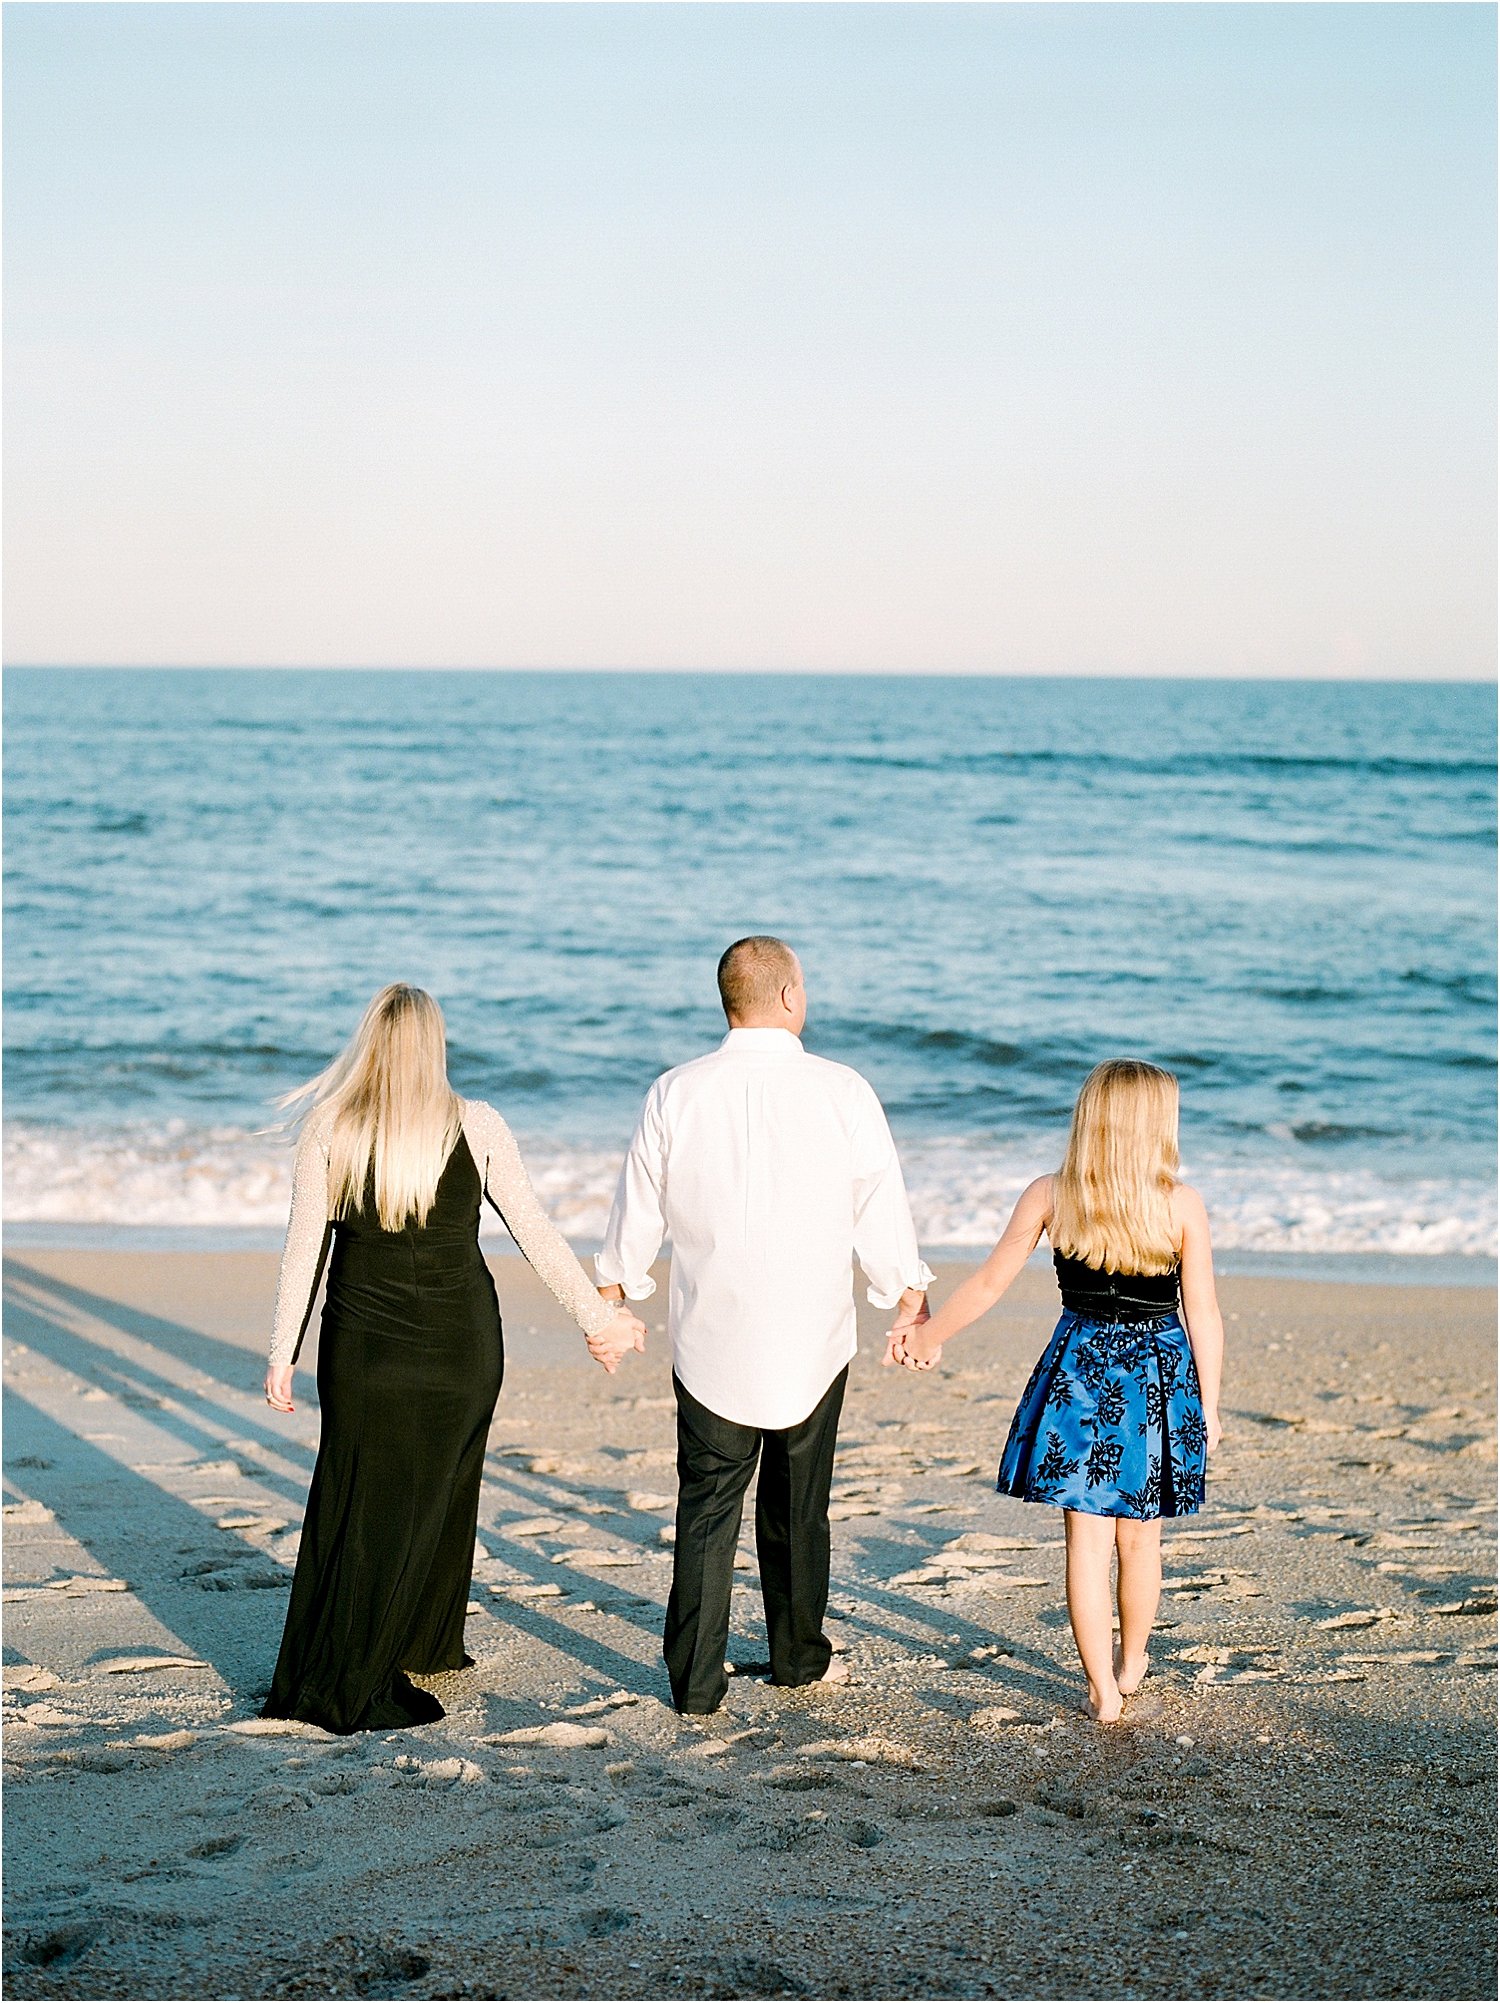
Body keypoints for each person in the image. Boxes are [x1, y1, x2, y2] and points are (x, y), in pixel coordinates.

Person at [260, 983, 645, 1734]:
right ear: (435, 1046)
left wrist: (284, 1352)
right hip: (461, 1348)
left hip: (363, 1351)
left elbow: (304, 1247)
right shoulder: (478, 1123)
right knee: (441, 1485)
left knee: (361, 1499)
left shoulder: (331, 1126)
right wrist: (598, 1320)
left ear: (370, 1042)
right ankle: (415, 1641)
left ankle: (424, 1639)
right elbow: (536, 1232)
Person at [592, 936, 933, 1716]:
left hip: (710, 1334)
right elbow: (878, 1207)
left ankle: (696, 1685)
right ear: (787, 996)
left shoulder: (674, 1091)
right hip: (813, 1335)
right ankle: (798, 1659)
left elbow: (636, 1210)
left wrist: (614, 1295)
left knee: (707, 1506)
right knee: (797, 1506)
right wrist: (904, 1296)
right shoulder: (843, 1089)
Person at [886, 1058, 1224, 1724]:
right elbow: (1203, 1310)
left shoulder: (1052, 1193)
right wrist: (1208, 1404)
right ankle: (1132, 1662)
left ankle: (1102, 1688)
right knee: (1141, 1541)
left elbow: (988, 1283)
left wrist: (931, 1334)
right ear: (1155, 1123)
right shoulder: (1179, 1203)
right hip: (1157, 1374)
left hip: (1080, 1372)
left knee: (1086, 1543)